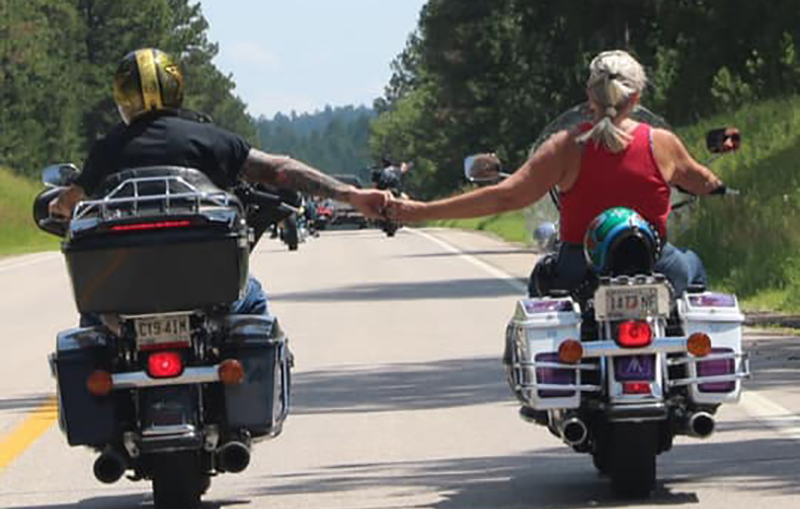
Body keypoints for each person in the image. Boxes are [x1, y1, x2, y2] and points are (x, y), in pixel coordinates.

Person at [49, 48, 389, 316]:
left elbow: (70, 201)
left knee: (94, 323)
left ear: (121, 98)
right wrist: (350, 194)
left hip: (124, 290)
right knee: (252, 302)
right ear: (176, 88)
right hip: (206, 285)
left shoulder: (108, 149)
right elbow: (279, 170)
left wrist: (58, 205)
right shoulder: (210, 139)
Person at [387, 50, 725, 297]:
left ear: (590, 93)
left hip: (580, 271)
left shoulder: (565, 146)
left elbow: (505, 195)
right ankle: (688, 356)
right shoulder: (662, 144)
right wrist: (719, 186)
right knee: (691, 268)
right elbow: (701, 180)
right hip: (656, 265)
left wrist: (420, 210)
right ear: (636, 96)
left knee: (543, 283)